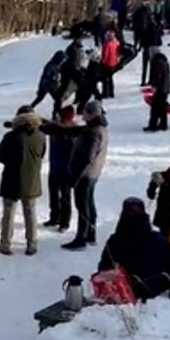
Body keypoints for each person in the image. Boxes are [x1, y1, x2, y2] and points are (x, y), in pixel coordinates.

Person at [97, 198, 170, 301]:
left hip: (128, 291)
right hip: (158, 290)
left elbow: (103, 270)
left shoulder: (114, 241)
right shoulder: (158, 239)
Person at [0, 106, 46, 255]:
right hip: (31, 179)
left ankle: (5, 243)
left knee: (8, 213)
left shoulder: (10, 137)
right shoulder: (41, 136)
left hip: (11, 179)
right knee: (30, 212)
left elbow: (1, 157)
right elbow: (42, 154)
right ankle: (32, 243)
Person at [63, 101, 108, 250]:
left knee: (82, 205)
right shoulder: (98, 128)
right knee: (89, 203)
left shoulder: (93, 132)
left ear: (91, 114)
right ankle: (90, 233)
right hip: (93, 173)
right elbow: (76, 131)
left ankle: (81, 238)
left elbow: (87, 158)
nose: (83, 116)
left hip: (85, 175)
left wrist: (75, 177)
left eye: (85, 113)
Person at [39, 107, 78, 232]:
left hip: (66, 170)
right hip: (54, 167)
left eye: (59, 116)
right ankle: (54, 217)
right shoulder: (54, 128)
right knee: (53, 195)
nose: (57, 118)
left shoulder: (72, 133)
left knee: (65, 197)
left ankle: (65, 222)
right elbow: (44, 126)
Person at [144, 48, 170, 132]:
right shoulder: (164, 61)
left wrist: (154, 86)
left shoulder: (157, 63)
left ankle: (153, 125)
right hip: (165, 88)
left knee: (155, 108)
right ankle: (163, 124)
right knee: (162, 108)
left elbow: (157, 76)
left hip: (160, 89)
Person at [99, 31, 119, 99]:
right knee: (110, 79)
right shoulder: (116, 43)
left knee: (105, 79)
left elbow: (105, 55)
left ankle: (105, 93)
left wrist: (102, 62)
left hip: (107, 63)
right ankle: (111, 92)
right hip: (113, 63)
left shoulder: (107, 44)